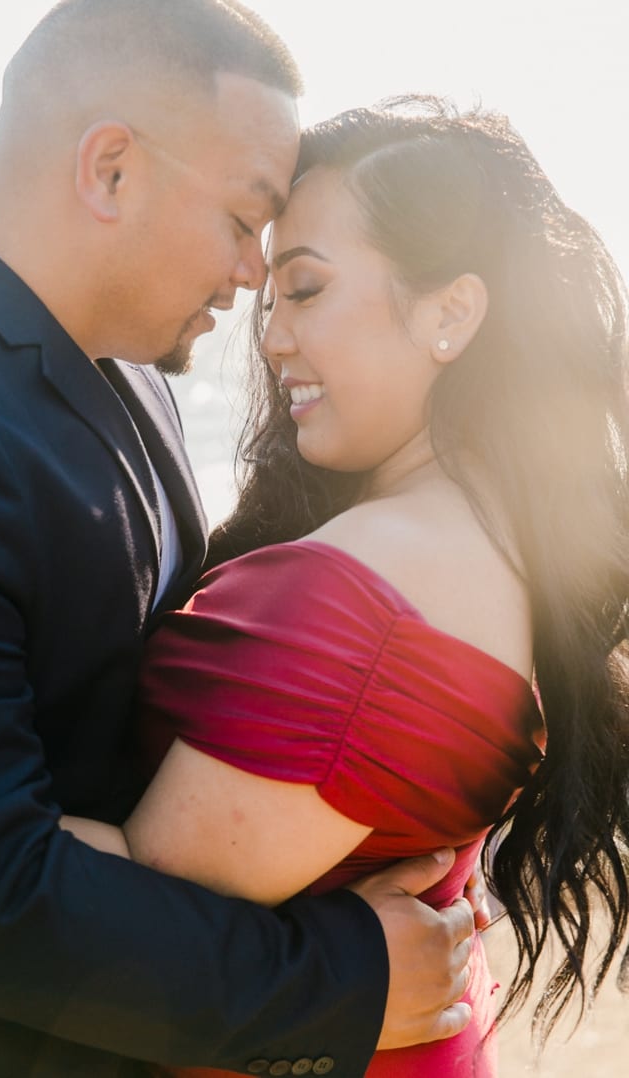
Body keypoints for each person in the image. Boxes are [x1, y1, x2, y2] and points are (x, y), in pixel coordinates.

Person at [0, 2, 479, 1074]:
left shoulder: (138, 362)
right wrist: (340, 981)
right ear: (111, 169)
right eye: (243, 219)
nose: (257, 276)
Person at [63, 97, 629, 1074]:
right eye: (271, 298)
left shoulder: (357, 597)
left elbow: (124, 922)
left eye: (308, 288)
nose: (271, 335)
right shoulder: (504, 547)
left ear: (450, 312)